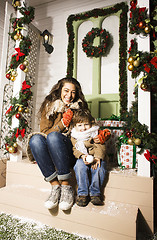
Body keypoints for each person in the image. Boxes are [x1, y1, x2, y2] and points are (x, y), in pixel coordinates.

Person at [27, 77, 93, 211]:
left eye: (73, 92)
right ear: (60, 90)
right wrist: (63, 123)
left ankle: (66, 186)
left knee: (54, 137)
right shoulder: (49, 106)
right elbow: (44, 132)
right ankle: (55, 186)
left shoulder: (79, 107)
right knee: (35, 140)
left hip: (70, 151)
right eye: (66, 90)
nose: (69, 95)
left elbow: (86, 132)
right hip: (53, 149)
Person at [71, 109, 111, 207]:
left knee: (99, 168)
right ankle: (83, 194)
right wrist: (82, 155)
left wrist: (97, 157)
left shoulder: (95, 133)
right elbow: (74, 149)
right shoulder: (74, 136)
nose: (83, 128)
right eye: (80, 125)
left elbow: (101, 146)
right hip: (83, 157)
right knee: (79, 167)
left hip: (96, 156)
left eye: (86, 125)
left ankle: (95, 193)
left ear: (91, 124)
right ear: (75, 126)